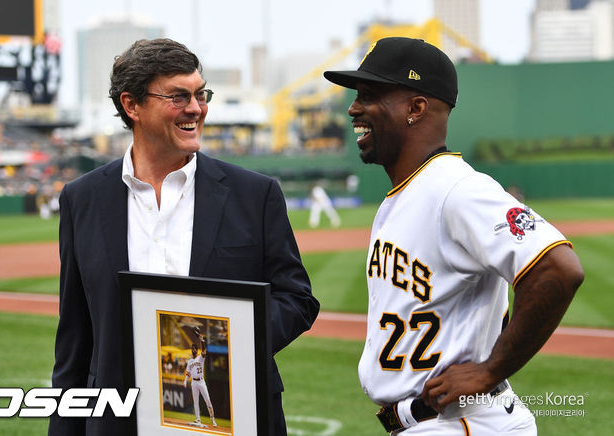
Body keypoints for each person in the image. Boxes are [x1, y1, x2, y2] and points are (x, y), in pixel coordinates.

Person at [49, 38, 319, 436]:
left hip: (228, 415)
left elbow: (296, 299)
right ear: (132, 105)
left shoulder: (255, 194)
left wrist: (224, 339)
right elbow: (75, 336)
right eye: (178, 96)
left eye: (200, 93)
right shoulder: (82, 198)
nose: (196, 108)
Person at [324, 37, 584, 435]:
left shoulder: (455, 189)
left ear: (416, 108)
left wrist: (489, 370)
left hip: (460, 422)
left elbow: (558, 268)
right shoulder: (407, 195)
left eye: (370, 95)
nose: (354, 108)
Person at [184, 333, 216, 427]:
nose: (193, 350)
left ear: (197, 350)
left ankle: (212, 419)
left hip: (201, 381)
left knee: (208, 400)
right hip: (194, 382)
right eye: (192, 348)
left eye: (194, 348)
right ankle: (198, 419)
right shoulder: (190, 361)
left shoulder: (200, 358)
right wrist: (185, 381)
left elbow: (205, 351)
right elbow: (188, 373)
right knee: (196, 401)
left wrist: (202, 340)